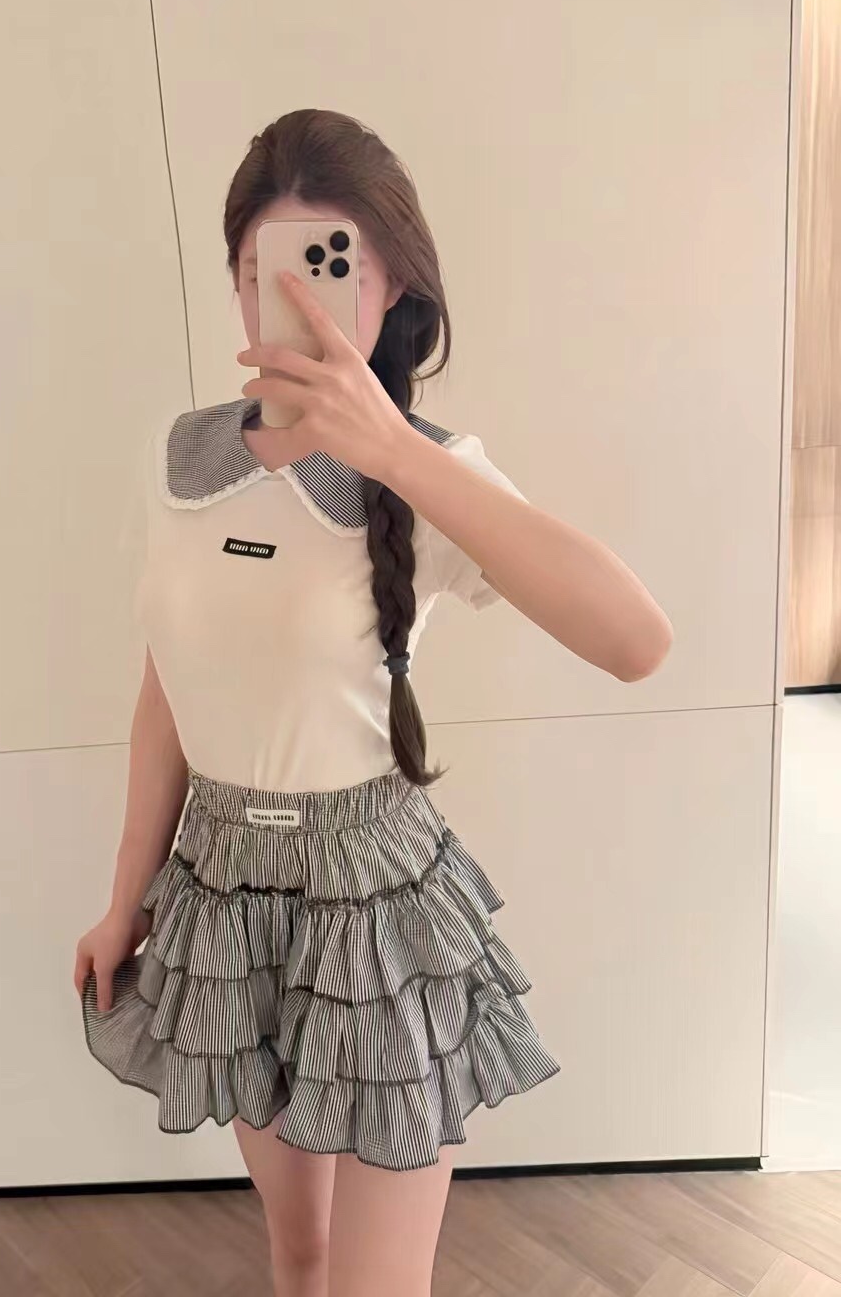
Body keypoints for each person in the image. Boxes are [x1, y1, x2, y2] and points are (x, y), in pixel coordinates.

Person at [74, 109, 672, 1297]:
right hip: (224, 902)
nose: (293, 300)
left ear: (391, 282)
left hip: (378, 912)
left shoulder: (430, 469)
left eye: (329, 266)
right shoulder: (181, 461)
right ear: (237, 280)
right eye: (266, 271)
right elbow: (167, 694)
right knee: (297, 1253)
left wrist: (396, 452)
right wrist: (123, 900)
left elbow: (636, 641)